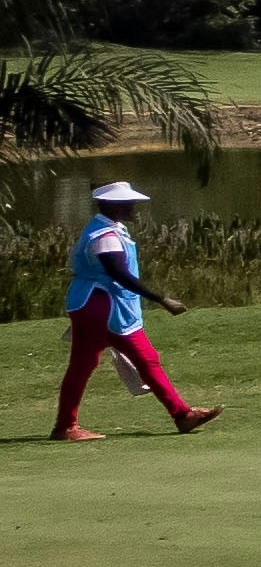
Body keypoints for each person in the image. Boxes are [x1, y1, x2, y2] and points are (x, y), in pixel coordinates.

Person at [55, 179, 215, 442]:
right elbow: (119, 274)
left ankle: (182, 415)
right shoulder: (105, 237)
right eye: (128, 204)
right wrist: (161, 299)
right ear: (113, 206)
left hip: (99, 305)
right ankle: (65, 427)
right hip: (103, 307)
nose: (133, 208)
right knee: (100, 363)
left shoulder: (108, 229)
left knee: (138, 359)